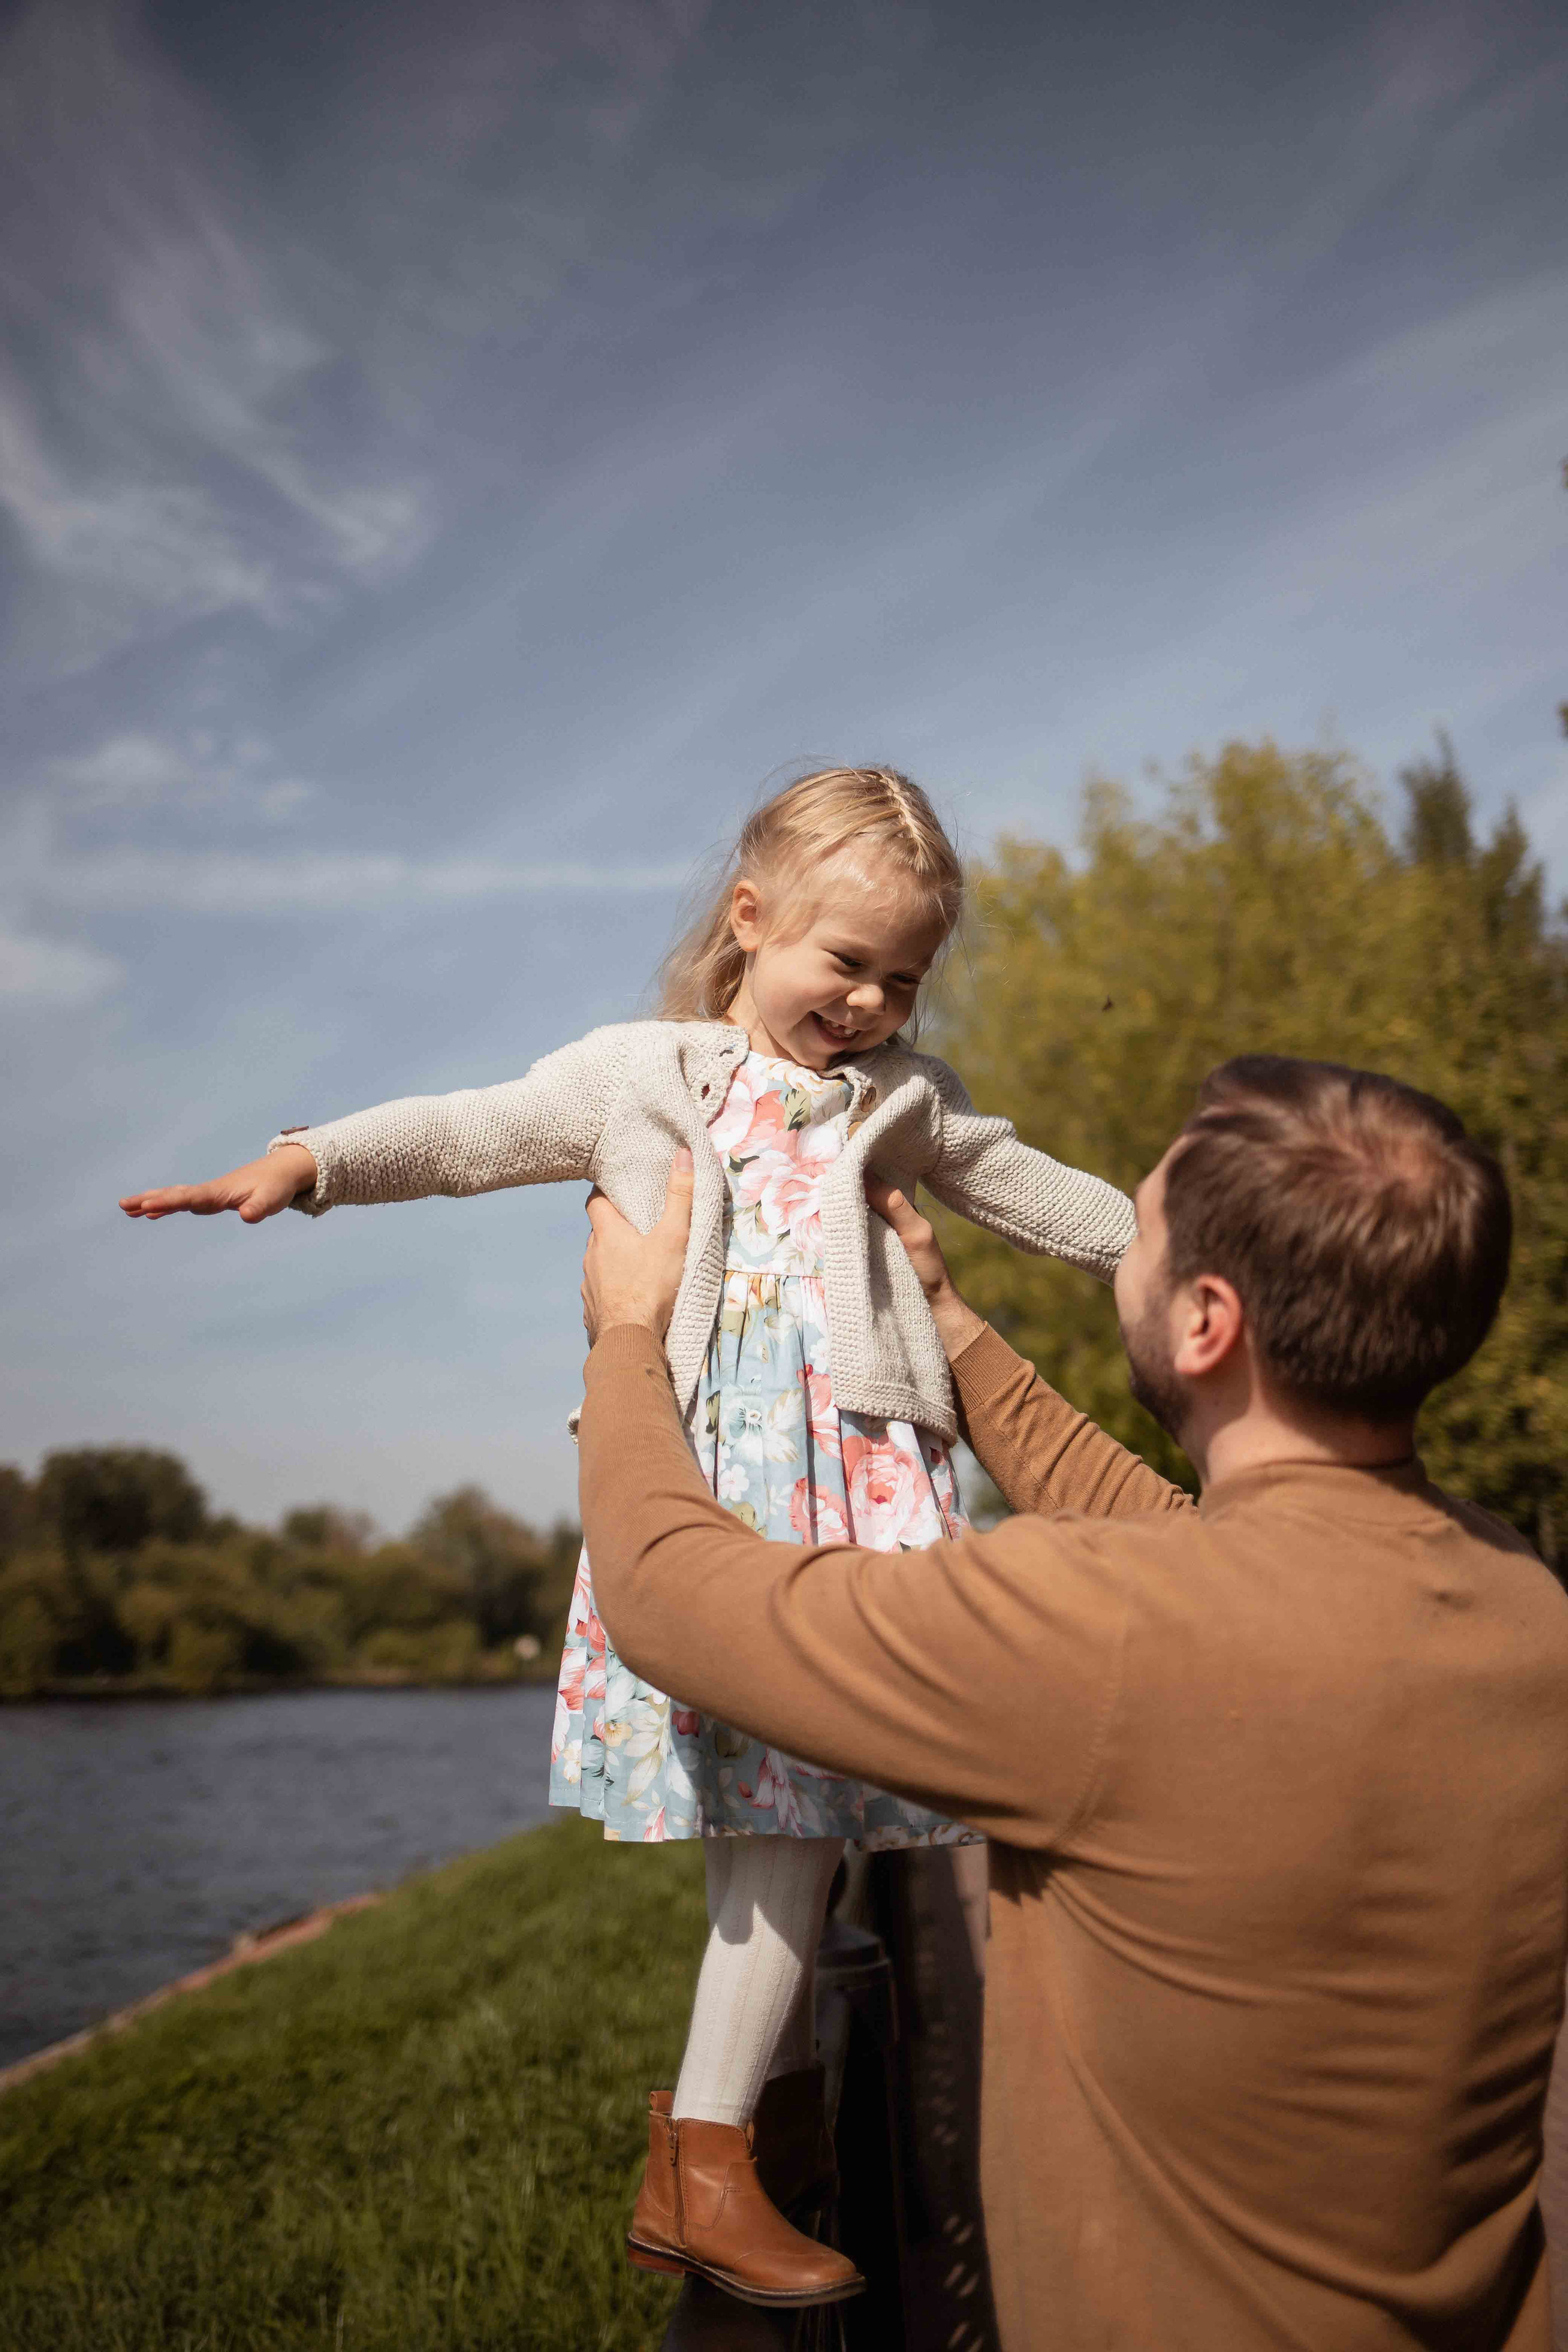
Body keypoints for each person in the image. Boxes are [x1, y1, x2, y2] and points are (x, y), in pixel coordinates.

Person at [119, 765, 1133, 2311]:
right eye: (843, 961)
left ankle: (762, 2128)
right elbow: (473, 1129)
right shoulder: (644, 1075)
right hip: (710, 1491)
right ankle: (705, 2162)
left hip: (856, 1492)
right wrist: (311, 1162)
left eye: (903, 978)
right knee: (786, 1818)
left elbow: (1028, 1187)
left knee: (786, 1823)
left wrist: (1184, 1241)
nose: (869, 1002)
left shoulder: (902, 1101)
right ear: (750, 920)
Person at [575, 1054, 1568, 2351]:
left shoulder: (1096, 1633)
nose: (1118, 1253)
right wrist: (946, 1320)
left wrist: (630, 1337)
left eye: (1138, 1233)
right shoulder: (1519, 1603)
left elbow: (670, 1596)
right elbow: (1180, 1536)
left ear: (1205, 1323)